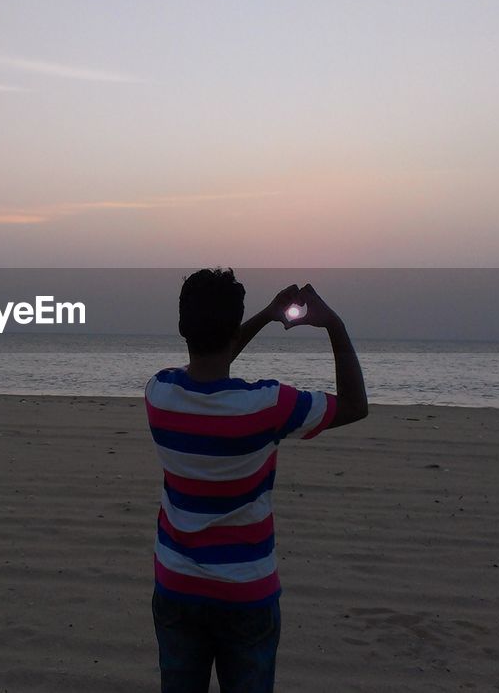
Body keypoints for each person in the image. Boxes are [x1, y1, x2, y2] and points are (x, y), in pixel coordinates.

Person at [146, 268, 369, 693]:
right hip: (245, 591)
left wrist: (266, 316)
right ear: (233, 327)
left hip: (177, 585)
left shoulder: (159, 395)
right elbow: (355, 405)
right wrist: (334, 325)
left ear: (181, 328)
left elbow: (215, 360)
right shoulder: (268, 406)